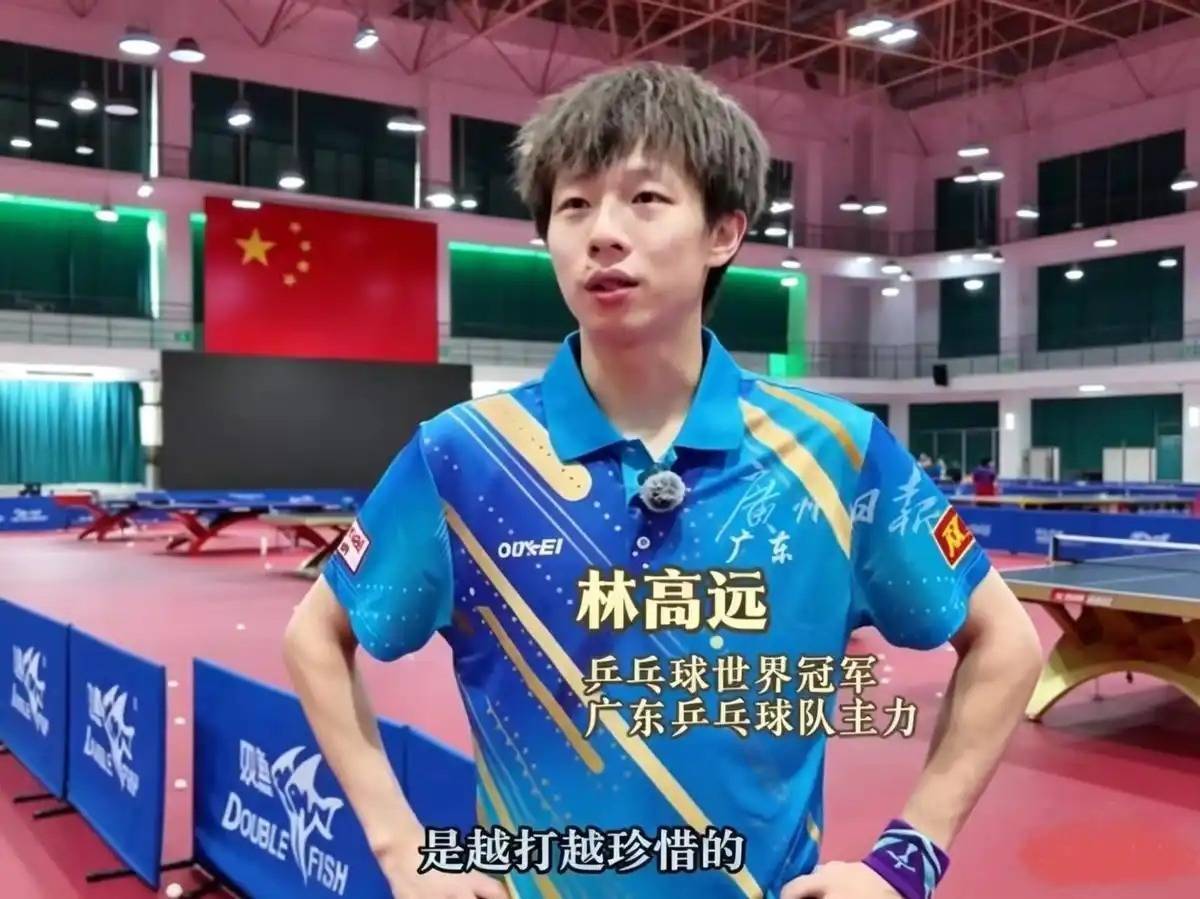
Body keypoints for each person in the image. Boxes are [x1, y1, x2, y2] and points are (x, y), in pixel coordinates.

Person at [283, 62, 1043, 899]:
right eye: (575, 205)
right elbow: (316, 635)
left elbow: (1005, 643)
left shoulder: (836, 453)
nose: (603, 233)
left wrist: (906, 860)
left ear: (724, 232)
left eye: (645, 198)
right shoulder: (464, 455)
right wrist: (402, 848)